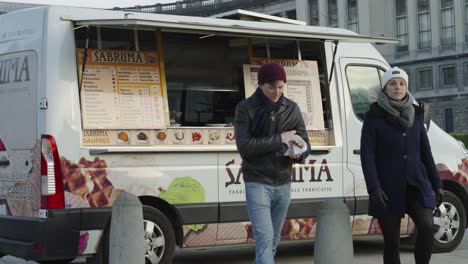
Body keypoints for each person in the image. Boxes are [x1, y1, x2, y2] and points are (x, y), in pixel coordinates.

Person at [360, 66, 444, 264]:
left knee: (426, 227)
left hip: (416, 183)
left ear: (406, 87)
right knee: (392, 243)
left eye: (401, 83)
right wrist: (374, 187)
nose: (397, 87)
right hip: (387, 187)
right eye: (392, 83)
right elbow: (367, 155)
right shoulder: (374, 116)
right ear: (385, 88)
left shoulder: (417, 114)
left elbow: (425, 151)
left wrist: (437, 182)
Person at [234, 62, 310, 264]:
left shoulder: (292, 108)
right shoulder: (245, 108)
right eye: (271, 87)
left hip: (284, 181)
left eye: (281, 87)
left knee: (273, 240)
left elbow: (305, 143)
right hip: (257, 181)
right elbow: (245, 147)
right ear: (260, 85)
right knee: (265, 240)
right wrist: (280, 139)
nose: (277, 91)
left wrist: (299, 153)